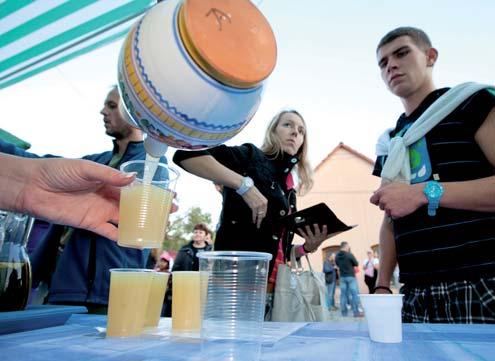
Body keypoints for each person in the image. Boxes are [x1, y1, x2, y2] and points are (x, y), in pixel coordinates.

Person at [0, 86, 168, 313]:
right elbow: (36, 165)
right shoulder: (94, 161)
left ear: (134, 112)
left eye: (111, 105)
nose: (102, 111)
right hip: (62, 288)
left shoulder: (152, 164)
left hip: (106, 296)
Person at [370, 27, 495, 323]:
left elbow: (411, 198)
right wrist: (383, 284)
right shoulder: (391, 141)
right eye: (383, 62)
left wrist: (422, 192)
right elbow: (390, 219)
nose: (392, 65)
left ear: (430, 56)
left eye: (401, 53)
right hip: (415, 296)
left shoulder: (471, 102)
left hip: (480, 284)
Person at [173, 110, 329, 305]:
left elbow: (280, 247)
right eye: (287, 125)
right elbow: (186, 153)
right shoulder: (250, 157)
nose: (295, 133)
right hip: (233, 283)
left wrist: (306, 248)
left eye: (301, 130)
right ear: (273, 131)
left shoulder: (289, 191)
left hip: (273, 292)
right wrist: (244, 185)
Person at [0, 153, 134, 240]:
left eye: (111, 106)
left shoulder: (141, 159)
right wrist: (29, 183)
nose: (103, 112)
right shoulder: (99, 158)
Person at [335, 242, 362, 317]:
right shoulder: (349, 255)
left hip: (342, 277)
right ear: (345, 246)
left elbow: (337, 264)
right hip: (350, 277)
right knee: (354, 294)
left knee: (343, 295)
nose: (348, 248)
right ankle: (356, 312)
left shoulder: (337, 255)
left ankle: (344, 313)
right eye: (348, 246)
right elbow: (356, 263)